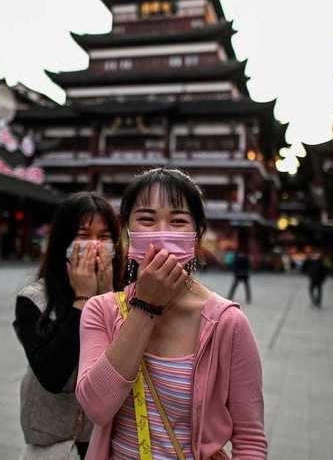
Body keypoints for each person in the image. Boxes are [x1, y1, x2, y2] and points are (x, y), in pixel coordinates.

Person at [76, 168, 267, 459]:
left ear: (196, 235)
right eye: (147, 219)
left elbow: (250, 440)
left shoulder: (227, 324)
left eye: (177, 221)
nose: (160, 232)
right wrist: (146, 306)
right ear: (128, 231)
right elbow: (97, 408)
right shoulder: (101, 311)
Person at [13, 192, 121, 459]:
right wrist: (83, 300)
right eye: (83, 235)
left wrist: (107, 298)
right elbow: (52, 375)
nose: (94, 245)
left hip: (108, 437)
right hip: (54, 439)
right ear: (64, 242)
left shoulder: (125, 295)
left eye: (104, 237)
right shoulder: (34, 299)